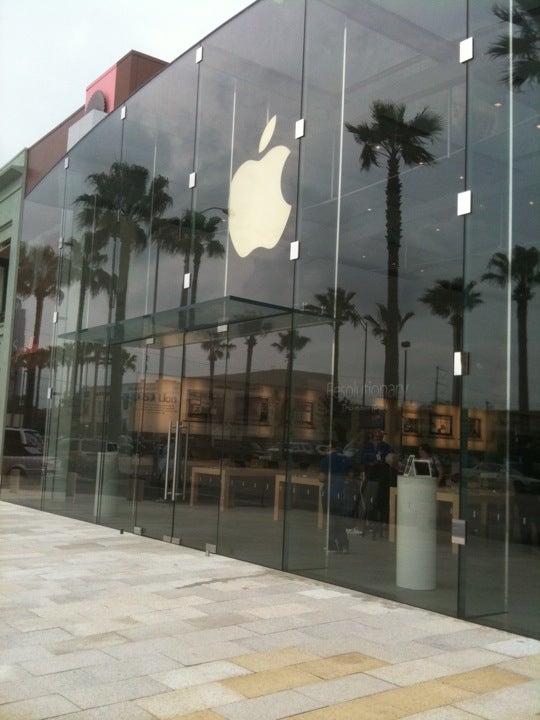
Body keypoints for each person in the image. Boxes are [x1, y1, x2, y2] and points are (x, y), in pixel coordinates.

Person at [319, 443, 354, 552]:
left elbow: (322, 477)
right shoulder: (345, 459)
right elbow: (350, 477)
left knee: (331, 519)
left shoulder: (326, 460)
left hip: (329, 491)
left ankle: (332, 544)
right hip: (342, 492)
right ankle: (343, 545)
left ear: (329, 448)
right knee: (339, 519)